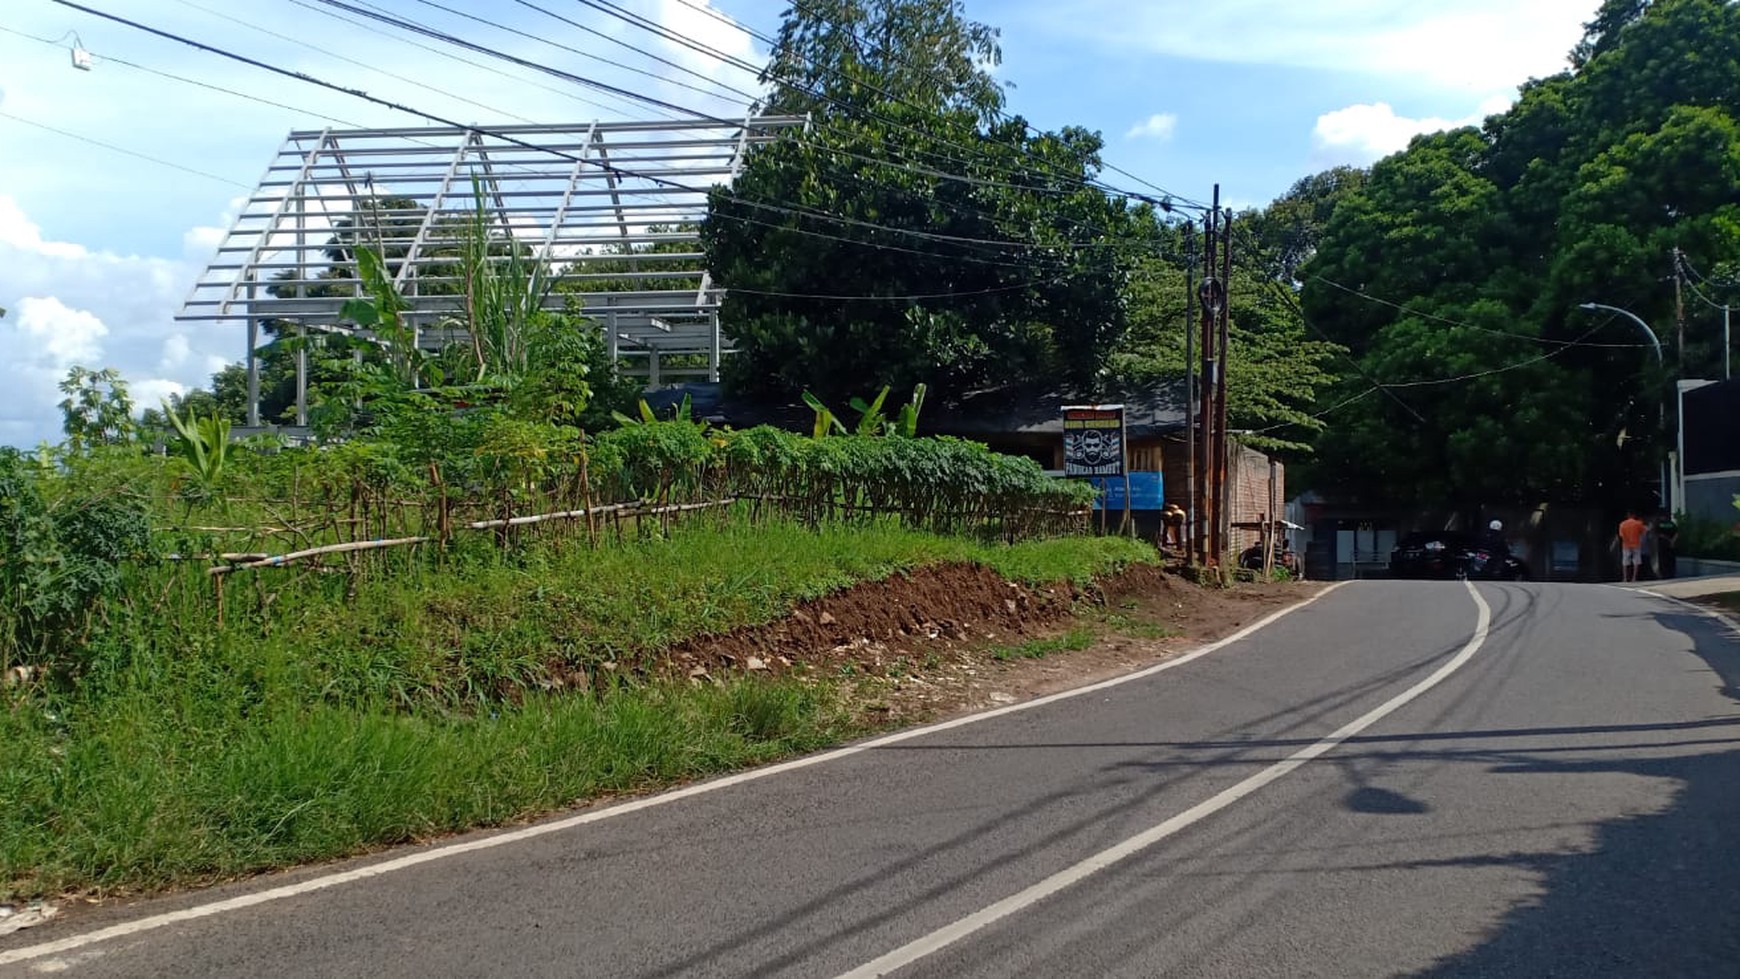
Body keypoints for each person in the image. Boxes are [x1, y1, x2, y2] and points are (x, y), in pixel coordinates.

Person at [1618, 510, 1647, 583]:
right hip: (1636, 544)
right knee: (1636, 561)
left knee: (1625, 562)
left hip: (1626, 545)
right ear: (1634, 515)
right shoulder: (1638, 523)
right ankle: (1634, 578)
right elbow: (1643, 532)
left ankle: (1625, 578)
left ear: (1627, 515)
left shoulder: (1622, 524)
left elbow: (1621, 535)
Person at [1655, 513, 1679, 580]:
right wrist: (1672, 541)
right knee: (1671, 560)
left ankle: (1664, 575)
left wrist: (1667, 540)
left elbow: (1658, 534)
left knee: (1662, 560)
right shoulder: (1671, 524)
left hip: (1662, 545)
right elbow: (1677, 533)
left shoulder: (1659, 524)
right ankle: (1671, 574)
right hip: (1671, 546)